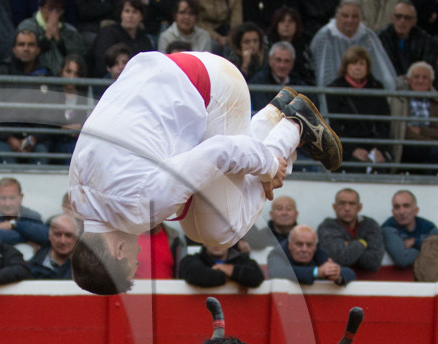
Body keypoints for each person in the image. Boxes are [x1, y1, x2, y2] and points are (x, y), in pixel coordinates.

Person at [68, 51, 341, 294]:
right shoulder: (77, 195)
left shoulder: (136, 208)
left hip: (213, 88)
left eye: (132, 262)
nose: (139, 254)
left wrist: (270, 165)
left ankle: (294, 126)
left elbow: (220, 152)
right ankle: (275, 113)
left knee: (220, 230)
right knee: (198, 219)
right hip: (170, 70)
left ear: (117, 252)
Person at [0, 28, 54, 161]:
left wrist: (34, 138)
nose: (26, 49)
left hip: (37, 139)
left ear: (38, 50)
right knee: (6, 158)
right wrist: (9, 138)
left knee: (42, 156)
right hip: (1, 138)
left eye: (31, 45)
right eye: (21, 44)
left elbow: (51, 114)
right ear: (14, 49)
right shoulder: (0, 73)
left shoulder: (47, 75)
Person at [326, 45, 391, 169]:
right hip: (346, 147)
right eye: (353, 63)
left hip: (374, 146)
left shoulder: (377, 88)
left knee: (384, 168)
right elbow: (333, 126)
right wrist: (352, 150)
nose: (358, 68)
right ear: (346, 66)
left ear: (367, 67)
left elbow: (384, 123)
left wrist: (379, 149)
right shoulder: (334, 90)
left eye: (362, 64)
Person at [310, 0, 398, 92]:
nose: (350, 20)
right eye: (345, 16)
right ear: (337, 16)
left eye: (354, 16)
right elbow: (321, 73)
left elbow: (380, 70)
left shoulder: (368, 36)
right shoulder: (324, 37)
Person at [388, 60, 438, 165]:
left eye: (425, 78)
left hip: (432, 149)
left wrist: (421, 131)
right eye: (416, 77)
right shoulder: (398, 101)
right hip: (405, 148)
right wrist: (434, 142)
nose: (420, 81)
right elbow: (403, 132)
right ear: (408, 80)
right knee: (436, 153)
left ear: (431, 82)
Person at [317, 187, 384, 273]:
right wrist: (362, 243)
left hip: (368, 282)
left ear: (359, 207)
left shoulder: (370, 225)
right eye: (342, 203)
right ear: (334, 207)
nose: (347, 208)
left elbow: (374, 262)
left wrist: (348, 246)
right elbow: (338, 258)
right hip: (336, 281)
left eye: (352, 204)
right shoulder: (327, 227)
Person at [0, 176, 49, 249]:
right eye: (2, 198)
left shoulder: (31, 215)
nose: (8, 203)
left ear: (21, 198)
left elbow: (46, 235)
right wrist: (31, 237)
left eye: (12, 198)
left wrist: (14, 224)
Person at [17, 0, 88, 75]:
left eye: (58, 10)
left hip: (63, 80)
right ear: (41, 8)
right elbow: (23, 55)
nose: (54, 14)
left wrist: (59, 40)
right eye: (50, 9)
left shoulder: (71, 32)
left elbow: (79, 57)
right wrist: (46, 38)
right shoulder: (26, 27)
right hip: (35, 76)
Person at [269, 223, 355, 285]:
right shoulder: (278, 253)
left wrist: (336, 273)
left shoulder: (320, 253)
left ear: (315, 247)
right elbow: (278, 272)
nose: (304, 249)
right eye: (299, 244)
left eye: (309, 245)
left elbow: (350, 273)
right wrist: (317, 272)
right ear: (289, 244)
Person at [91, 0, 156, 77]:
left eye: (135, 12)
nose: (130, 16)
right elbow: (102, 63)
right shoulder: (108, 33)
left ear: (141, 17)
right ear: (121, 14)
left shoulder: (145, 40)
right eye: (126, 11)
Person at [380, 189, 438, 268]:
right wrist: (428, 250)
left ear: (416, 210)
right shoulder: (388, 228)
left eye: (406, 206)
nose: (401, 211)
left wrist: (415, 242)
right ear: (393, 212)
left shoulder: (428, 227)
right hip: (399, 279)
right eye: (397, 207)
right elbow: (403, 258)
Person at [248, 41, 313, 112]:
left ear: (293, 62)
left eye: (287, 61)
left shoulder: (300, 83)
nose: (282, 65)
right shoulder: (258, 82)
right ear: (270, 60)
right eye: (278, 60)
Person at [378, 1, 436, 77]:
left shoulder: (426, 41)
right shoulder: (381, 39)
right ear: (392, 19)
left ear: (414, 21)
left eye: (407, 18)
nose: (402, 21)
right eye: (398, 16)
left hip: (416, 83)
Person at [179, 239, 264, 287]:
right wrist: (233, 277)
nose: (217, 243)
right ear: (203, 242)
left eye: (222, 239)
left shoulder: (241, 259)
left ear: (230, 242)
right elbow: (196, 275)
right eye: (212, 238)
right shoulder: (190, 260)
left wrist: (227, 269)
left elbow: (257, 277)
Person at [267, 6, 316, 83]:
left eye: (291, 21)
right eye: (282, 21)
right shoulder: (267, 45)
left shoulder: (304, 48)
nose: (286, 25)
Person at [27, 213, 78, 279]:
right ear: (50, 236)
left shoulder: (87, 266)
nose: (62, 241)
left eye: (68, 235)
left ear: (76, 238)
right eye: (57, 234)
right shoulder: (33, 266)